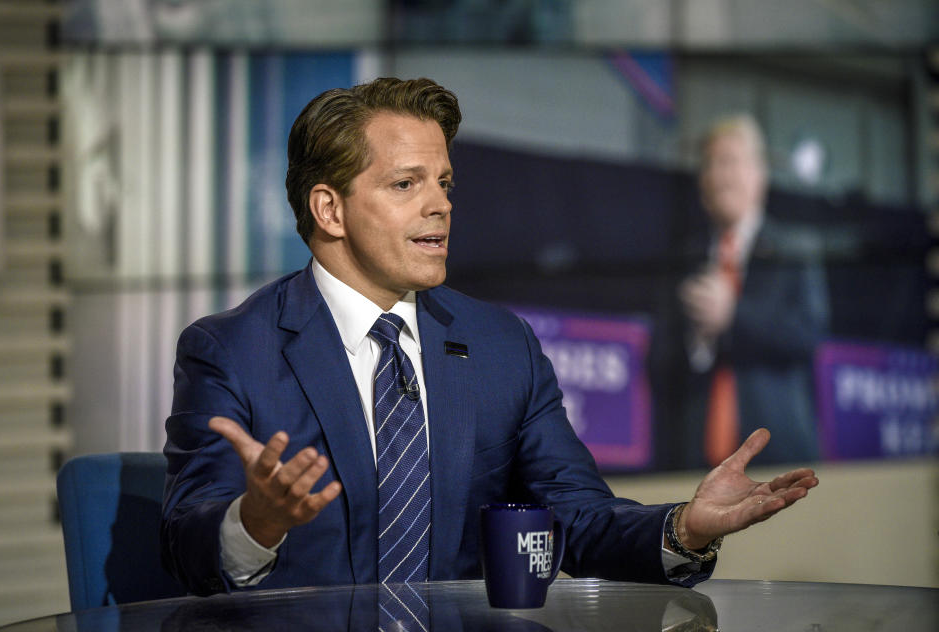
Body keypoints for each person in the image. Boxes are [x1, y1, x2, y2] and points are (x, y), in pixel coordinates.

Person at [161, 79, 818, 596]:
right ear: (330, 208)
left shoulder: (502, 345)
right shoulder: (231, 352)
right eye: (406, 184)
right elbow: (186, 549)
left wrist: (682, 528)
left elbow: (579, 519)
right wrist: (257, 521)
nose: (441, 205)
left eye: (444, 183)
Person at [651, 115, 829, 470]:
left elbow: (808, 334)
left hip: (777, 459)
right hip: (694, 463)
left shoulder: (796, 250)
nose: (719, 175)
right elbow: (656, 363)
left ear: (759, 173)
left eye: (730, 161)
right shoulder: (684, 260)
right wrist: (698, 341)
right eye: (711, 164)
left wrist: (734, 315)